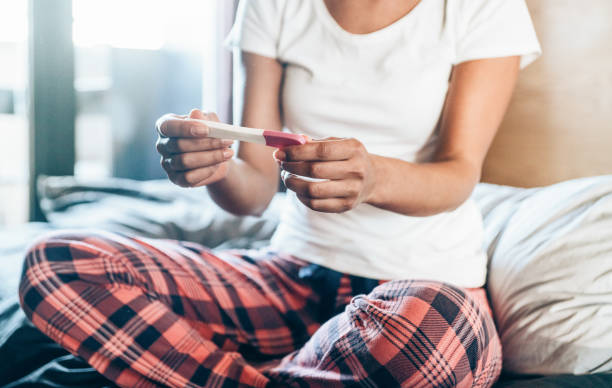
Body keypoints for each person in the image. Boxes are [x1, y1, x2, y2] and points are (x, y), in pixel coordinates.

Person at [19, 0, 541, 386]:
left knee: (433, 341)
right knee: (54, 263)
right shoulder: (274, 6)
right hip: (291, 276)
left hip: (421, 289)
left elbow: (459, 173)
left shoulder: (483, 8)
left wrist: (375, 178)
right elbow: (252, 191)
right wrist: (212, 166)